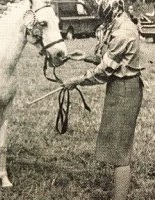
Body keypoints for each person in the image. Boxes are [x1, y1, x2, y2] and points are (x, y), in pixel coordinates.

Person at [63, 0, 144, 199]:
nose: (102, 19)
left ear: (112, 10)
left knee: (120, 151)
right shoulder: (122, 25)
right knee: (117, 148)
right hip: (120, 88)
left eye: (103, 14)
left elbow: (105, 71)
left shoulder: (123, 33)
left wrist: (77, 80)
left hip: (125, 90)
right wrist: (86, 57)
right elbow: (113, 60)